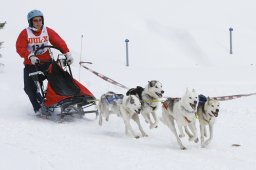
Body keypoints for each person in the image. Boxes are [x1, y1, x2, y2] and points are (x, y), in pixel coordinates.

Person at [16, 9, 74, 115]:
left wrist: (67, 54)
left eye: (40, 20)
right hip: (31, 65)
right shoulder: (25, 33)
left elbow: (58, 41)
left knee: (60, 80)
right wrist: (30, 55)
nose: (38, 23)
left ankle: (66, 101)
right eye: (35, 21)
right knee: (29, 88)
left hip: (47, 62)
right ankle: (38, 107)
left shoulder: (47, 31)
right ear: (30, 22)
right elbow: (20, 47)